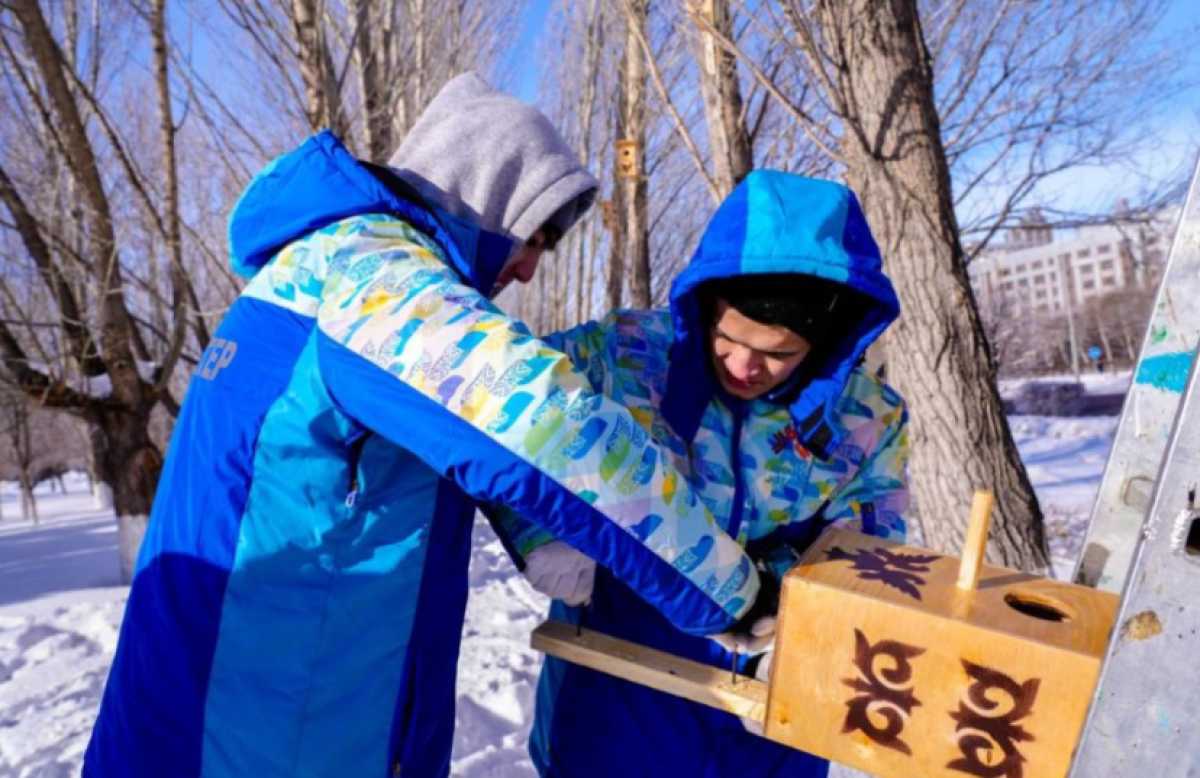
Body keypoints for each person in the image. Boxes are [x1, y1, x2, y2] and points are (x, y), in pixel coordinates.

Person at [83, 73, 767, 778]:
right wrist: (730, 590)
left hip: (259, 706)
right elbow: (550, 430)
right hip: (250, 729)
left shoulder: (323, 269)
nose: (530, 269)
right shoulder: (374, 281)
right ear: (485, 197)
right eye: (535, 236)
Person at [494, 171, 910, 778]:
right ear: (707, 303)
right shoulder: (623, 354)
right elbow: (497, 408)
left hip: (773, 685)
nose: (745, 366)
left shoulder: (866, 415)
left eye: (778, 353)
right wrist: (537, 530)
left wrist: (803, 606)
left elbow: (872, 544)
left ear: (825, 343)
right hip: (621, 665)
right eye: (729, 337)